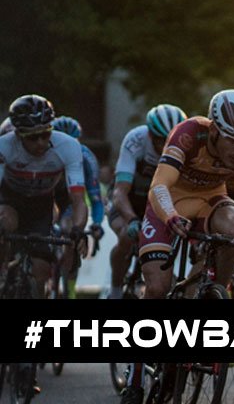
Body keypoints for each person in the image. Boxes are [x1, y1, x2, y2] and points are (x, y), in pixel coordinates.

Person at [121, 91, 234, 404]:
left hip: (210, 202)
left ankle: (208, 302)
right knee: (157, 287)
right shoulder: (189, 133)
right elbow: (159, 185)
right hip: (169, 204)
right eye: (233, 140)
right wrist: (170, 217)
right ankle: (136, 374)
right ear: (214, 131)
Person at [0, 96, 88, 296]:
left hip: (41, 206)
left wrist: (77, 229)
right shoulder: (4, 146)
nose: (40, 142)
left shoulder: (68, 146)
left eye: (45, 134)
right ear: (18, 134)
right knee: (5, 222)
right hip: (9, 200)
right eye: (32, 137)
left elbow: (78, 200)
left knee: (41, 271)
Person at [107, 104, 188, 300]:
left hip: (158, 206)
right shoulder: (136, 140)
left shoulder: (187, 145)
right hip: (129, 201)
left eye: (171, 140)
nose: (167, 147)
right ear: (150, 135)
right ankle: (115, 290)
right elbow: (120, 192)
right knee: (126, 237)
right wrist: (132, 219)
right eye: (161, 141)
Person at [51, 116, 105, 298]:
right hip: (48, 198)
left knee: (70, 233)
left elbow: (95, 198)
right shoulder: (43, 153)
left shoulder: (86, 157)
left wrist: (97, 224)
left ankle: (70, 291)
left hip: (70, 202)